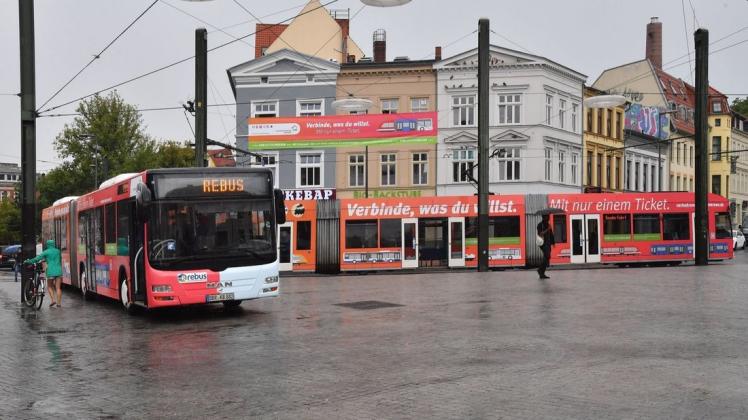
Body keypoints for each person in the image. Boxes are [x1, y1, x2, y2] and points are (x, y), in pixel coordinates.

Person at [24, 240, 63, 308]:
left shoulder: (46, 252)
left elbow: (37, 259)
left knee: (50, 286)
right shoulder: (58, 251)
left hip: (51, 271)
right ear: (53, 244)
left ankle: (53, 300)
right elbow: (60, 259)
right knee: (58, 288)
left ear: (47, 245)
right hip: (58, 271)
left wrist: (28, 261)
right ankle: (59, 304)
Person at [536, 214, 555, 279]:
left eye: (549, 217)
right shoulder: (540, 225)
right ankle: (540, 270)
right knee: (547, 256)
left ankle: (542, 273)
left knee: (547, 257)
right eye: (547, 217)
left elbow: (551, 234)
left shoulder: (548, 224)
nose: (549, 218)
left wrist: (553, 242)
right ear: (543, 217)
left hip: (548, 243)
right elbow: (540, 234)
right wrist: (547, 229)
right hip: (543, 243)